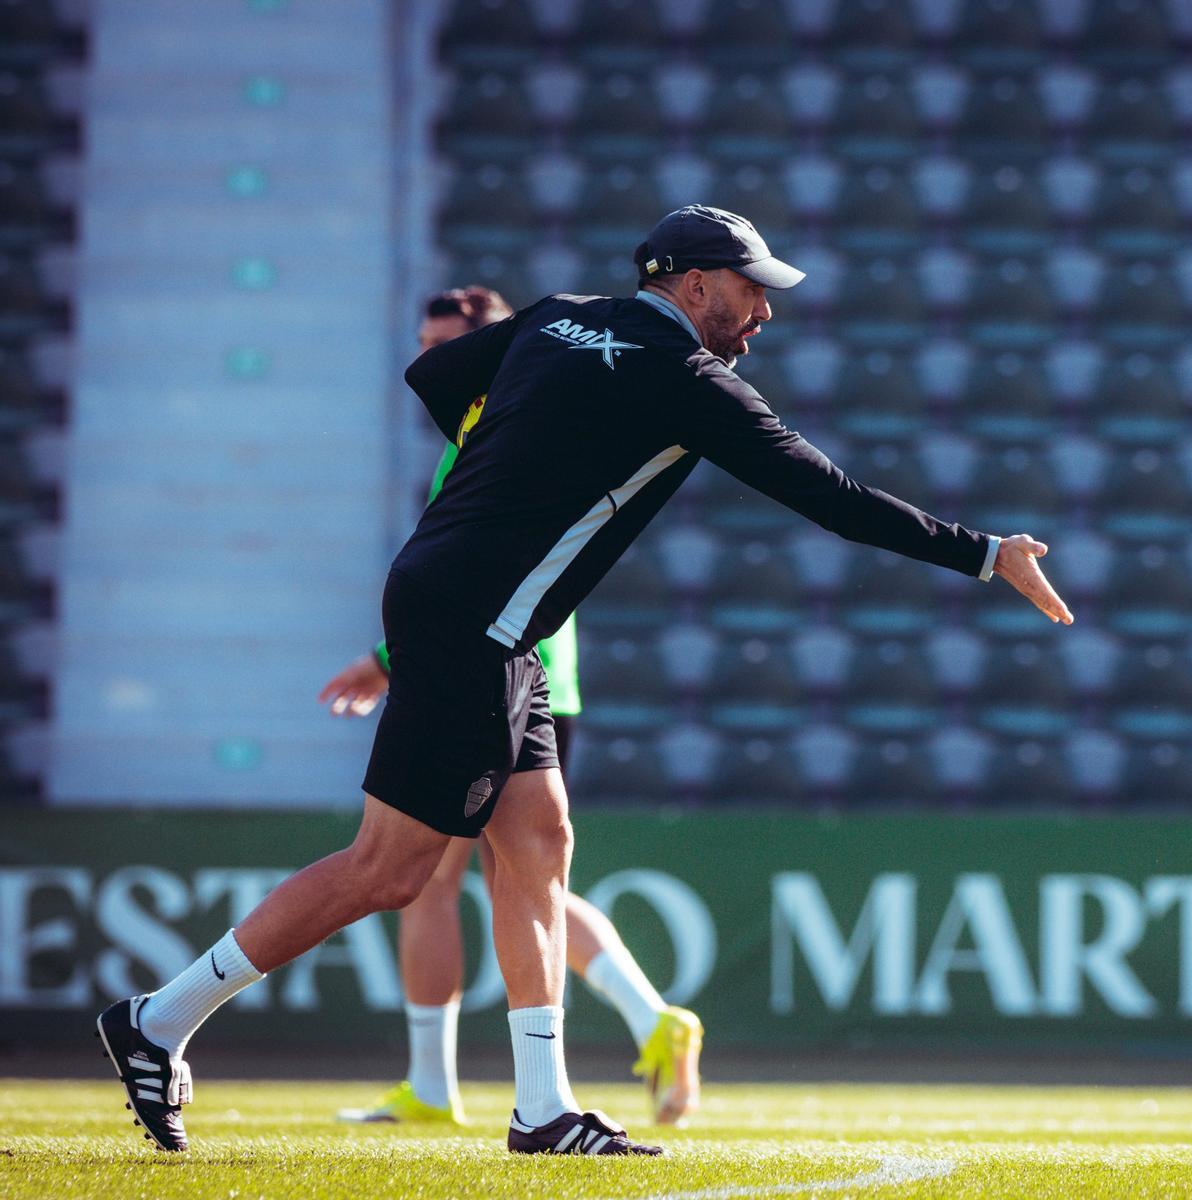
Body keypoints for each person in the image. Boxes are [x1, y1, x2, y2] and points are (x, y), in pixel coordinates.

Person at [96, 205, 1072, 1157]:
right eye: (749, 290)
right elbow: (833, 498)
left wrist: (507, 456)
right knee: (389, 870)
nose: (764, 311)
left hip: (479, 613)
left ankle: (543, 1107)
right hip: (475, 622)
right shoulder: (691, 379)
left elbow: (434, 371)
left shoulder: (563, 313)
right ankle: (161, 1016)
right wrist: (986, 554)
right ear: (694, 285)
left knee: (539, 848)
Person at [320, 287, 702, 1129]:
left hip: (494, 661)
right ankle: (646, 1021)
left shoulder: (491, 423)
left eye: (443, 341)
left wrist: (388, 661)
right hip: (542, 668)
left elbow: (471, 570)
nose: (425, 356)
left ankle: (431, 1084)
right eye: (419, 337)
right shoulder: (541, 414)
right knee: (529, 870)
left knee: (429, 877)